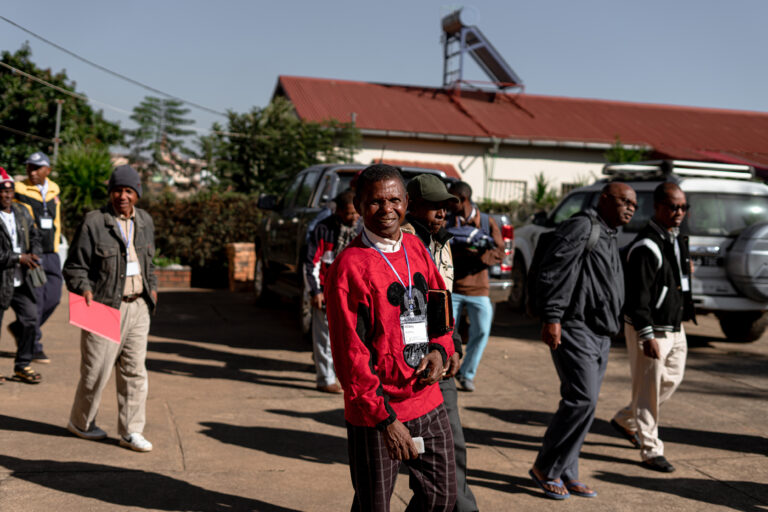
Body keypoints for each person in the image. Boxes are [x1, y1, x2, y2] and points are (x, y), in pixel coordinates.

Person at [325, 164, 457, 511]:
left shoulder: (415, 247)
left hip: (427, 401)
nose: (386, 209)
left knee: (442, 498)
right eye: (375, 202)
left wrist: (441, 351)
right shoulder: (348, 266)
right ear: (358, 204)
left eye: (394, 200)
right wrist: (385, 420)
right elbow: (349, 354)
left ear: (407, 202)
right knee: (375, 506)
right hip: (378, 414)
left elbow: (440, 308)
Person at [529, 182, 636, 500]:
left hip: (600, 333)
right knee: (582, 400)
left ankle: (567, 470)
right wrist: (552, 317)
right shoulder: (581, 226)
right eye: (624, 201)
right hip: (576, 327)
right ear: (604, 199)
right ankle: (547, 468)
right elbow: (554, 271)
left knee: (586, 406)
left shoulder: (608, 232)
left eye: (634, 204)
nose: (630, 208)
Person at [64, 165, 158, 452]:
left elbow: (150, 261)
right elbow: (74, 266)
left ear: (137, 194)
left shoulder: (145, 221)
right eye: (117, 190)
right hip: (102, 305)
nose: (123, 196)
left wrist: (152, 286)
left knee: (135, 372)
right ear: (110, 193)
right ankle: (81, 422)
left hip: (138, 306)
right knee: (96, 372)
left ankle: (131, 431)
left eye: (129, 191)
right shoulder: (94, 222)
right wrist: (83, 287)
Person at [402, 173, 478, 512]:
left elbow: (444, 301)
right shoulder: (400, 241)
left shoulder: (443, 242)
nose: (442, 213)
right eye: (434, 206)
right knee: (385, 468)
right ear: (411, 206)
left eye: (445, 207)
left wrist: (454, 346)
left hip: (440, 357)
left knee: (450, 447)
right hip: (404, 363)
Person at [611, 182, 695, 473]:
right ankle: (650, 449)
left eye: (683, 207)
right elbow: (638, 297)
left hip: (674, 324)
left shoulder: (674, 237)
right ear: (658, 207)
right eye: (673, 206)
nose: (679, 212)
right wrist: (646, 335)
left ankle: (625, 419)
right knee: (648, 390)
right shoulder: (647, 245)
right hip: (652, 329)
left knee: (671, 379)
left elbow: (674, 278)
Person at [447, 181, 504, 392]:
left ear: (462, 199)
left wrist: (480, 258)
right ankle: (447, 372)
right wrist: (461, 253)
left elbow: (500, 250)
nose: (448, 203)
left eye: (452, 198)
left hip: (479, 289)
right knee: (446, 332)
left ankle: (467, 373)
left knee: (481, 331)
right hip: (452, 289)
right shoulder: (446, 220)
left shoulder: (487, 222)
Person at [304, 189, 359, 393]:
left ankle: (346, 376)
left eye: (356, 213)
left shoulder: (361, 230)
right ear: (338, 212)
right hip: (326, 291)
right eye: (349, 214)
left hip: (352, 293)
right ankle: (325, 379)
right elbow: (311, 262)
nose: (353, 218)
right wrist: (315, 291)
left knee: (350, 338)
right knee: (325, 337)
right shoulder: (323, 230)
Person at [12, 151, 63, 364]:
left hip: (52, 253)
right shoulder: (19, 190)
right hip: (34, 254)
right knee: (38, 300)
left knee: (54, 297)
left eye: (36, 167)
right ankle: (34, 346)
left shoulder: (54, 190)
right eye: (29, 167)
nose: (31, 172)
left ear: (47, 170)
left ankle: (21, 329)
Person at [0, 167, 43, 384]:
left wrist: (34, 253)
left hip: (22, 280)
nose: (7, 195)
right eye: (3, 191)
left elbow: (35, 236)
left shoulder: (22, 211)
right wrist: (18, 258)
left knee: (30, 319)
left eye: (10, 191)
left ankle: (22, 365)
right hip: (2, 281)